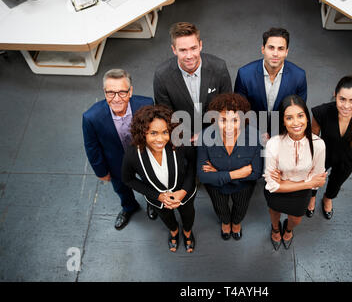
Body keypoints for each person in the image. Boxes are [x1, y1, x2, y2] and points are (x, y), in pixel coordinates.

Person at [82, 69, 156, 231]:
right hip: (116, 162)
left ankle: (152, 203)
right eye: (111, 93)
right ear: (105, 92)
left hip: (145, 157)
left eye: (122, 92)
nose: (116, 99)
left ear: (130, 91)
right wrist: (101, 171)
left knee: (149, 182)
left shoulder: (147, 105)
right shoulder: (91, 117)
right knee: (121, 187)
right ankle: (129, 207)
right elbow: (91, 147)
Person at [122, 105, 197, 253]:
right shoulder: (133, 154)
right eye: (153, 133)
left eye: (165, 132)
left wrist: (183, 191)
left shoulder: (180, 143)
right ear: (143, 133)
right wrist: (158, 196)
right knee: (166, 217)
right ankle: (174, 232)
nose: (160, 139)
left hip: (184, 194)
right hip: (157, 199)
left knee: (188, 215)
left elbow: (192, 166)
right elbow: (128, 179)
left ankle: (188, 233)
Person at [307, 76, 352, 220]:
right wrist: (310, 160)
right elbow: (313, 137)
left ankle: (327, 198)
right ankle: (312, 197)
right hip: (324, 154)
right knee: (314, 178)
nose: (346, 106)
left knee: (337, 181)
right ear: (335, 95)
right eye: (342, 99)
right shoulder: (322, 112)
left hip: (348, 157)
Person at [264, 95, 327, 250]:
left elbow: (318, 179)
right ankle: (276, 228)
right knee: (274, 213)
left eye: (300, 116)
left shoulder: (318, 145)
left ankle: (288, 229)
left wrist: (283, 182)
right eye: (289, 118)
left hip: (300, 194)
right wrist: (308, 183)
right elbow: (272, 186)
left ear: (307, 117)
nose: (296, 122)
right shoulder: (273, 144)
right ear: (283, 121)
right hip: (283, 192)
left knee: (296, 219)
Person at [197, 93, 263, 241]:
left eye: (235, 120)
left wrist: (218, 173)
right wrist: (236, 174)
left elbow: (256, 173)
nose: (228, 126)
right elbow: (202, 176)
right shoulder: (204, 137)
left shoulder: (254, 137)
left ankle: (236, 223)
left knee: (241, 207)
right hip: (217, 187)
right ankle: (226, 223)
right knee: (220, 207)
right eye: (223, 120)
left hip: (243, 186)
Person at [153, 22, 232, 140]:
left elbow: (227, 107)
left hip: (216, 134)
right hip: (182, 139)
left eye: (193, 48)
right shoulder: (162, 76)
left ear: (200, 45)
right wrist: (187, 137)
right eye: (183, 50)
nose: (189, 56)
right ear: (174, 50)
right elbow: (165, 116)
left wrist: (207, 134)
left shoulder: (219, 68)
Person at [234, 27, 307, 139]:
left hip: (284, 134)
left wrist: (278, 135)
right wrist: (256, 133)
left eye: (281, 49)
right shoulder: (244, 74)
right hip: (251, 134)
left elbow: (297, 112)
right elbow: (240, 111)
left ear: (286, 52)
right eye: (271, 48)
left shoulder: (299, 76)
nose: (275, 53)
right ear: (263, 49)